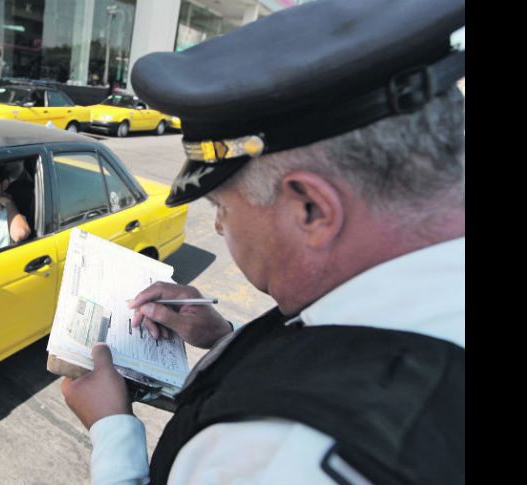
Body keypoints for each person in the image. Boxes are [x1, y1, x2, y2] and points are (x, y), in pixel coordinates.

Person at [60, 0, 465, 483]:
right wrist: (224, 339)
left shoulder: (281, 453)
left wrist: (111, 428)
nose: (218, 228)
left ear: (310, 209)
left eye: (222, 206)